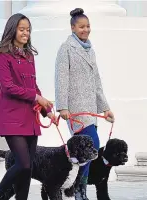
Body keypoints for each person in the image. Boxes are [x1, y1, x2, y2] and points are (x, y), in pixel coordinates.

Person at [0, 13, 56, 200]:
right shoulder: (3, 55)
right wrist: (36, 97)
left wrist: (47, 111)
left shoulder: (29, 55)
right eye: (22, 29)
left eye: (28, 30)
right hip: (12, 118)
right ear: (12, 30)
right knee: (23, 164)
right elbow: (8, 87)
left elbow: (34, 86)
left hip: (30, 119)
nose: (26, 33)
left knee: (28, 169)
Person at [54, 8, 115, 200]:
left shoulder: (91, 49)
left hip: (90, 107)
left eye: (88, 26)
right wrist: (62, 106)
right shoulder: (66, 48)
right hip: (75, 109)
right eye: (81, 26)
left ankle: (79, 189)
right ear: (73, 27)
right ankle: (78, 189)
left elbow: (97, 81)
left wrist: (105, 108)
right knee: (92, 144)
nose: (85, 30)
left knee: (87, 149)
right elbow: (61, 79)